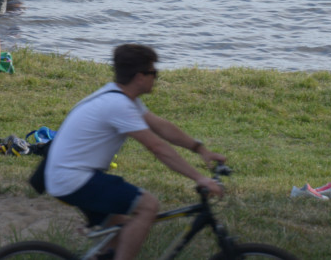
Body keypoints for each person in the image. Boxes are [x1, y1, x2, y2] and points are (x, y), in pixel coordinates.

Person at [43, 44, 226, 260]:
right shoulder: (118, 104)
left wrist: (200, 148)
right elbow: (157, 147)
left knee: (119, 233)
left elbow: (161, 126)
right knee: (148, 206)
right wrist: (200, 178)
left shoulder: (121, 97)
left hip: (67, 176)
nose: (156, 78)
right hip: (74, 179)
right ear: (140, 76)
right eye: (153, 73)